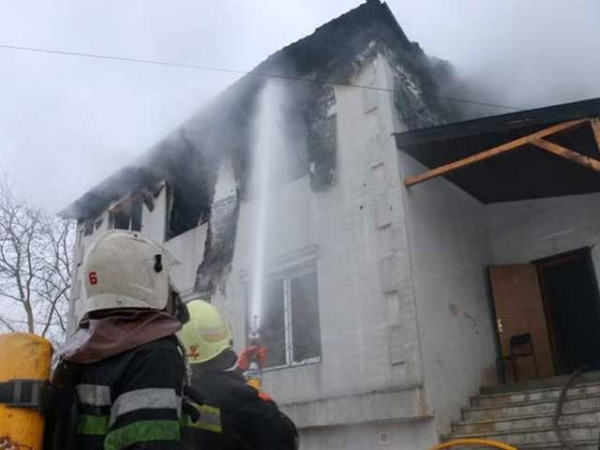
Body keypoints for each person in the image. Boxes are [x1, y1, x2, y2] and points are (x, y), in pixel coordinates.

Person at [45, 230, 189, 450]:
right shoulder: (154, 355)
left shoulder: (77, 351)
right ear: (145, 279)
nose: (171, 289)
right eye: (166, 280)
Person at [179, 299, 299, 449]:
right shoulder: (239, 401)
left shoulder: (180, 396)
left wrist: (237, 374)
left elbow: (217, 410)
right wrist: (253, 388)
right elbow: (287, 439)